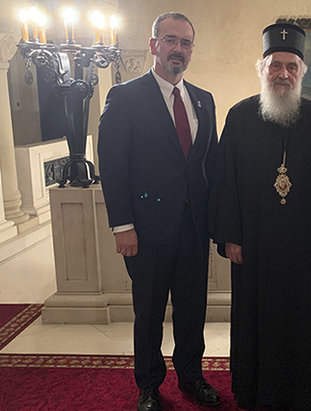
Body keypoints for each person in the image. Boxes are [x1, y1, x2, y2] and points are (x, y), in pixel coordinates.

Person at [212, 23, 311, 410]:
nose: (283, 74)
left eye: (292, 66)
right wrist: (230, 236)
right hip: (254, 243)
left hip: (304, 246)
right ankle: (255, 387)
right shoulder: (239, 117)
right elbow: (226, 181)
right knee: (256, 314)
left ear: (301, 72)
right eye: (275, 65)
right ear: (262, 69)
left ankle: (309, 383)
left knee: (304, 315)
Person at [98, 12, 220, 411]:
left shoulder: (203, 99)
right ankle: (149, 385)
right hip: (146, 229)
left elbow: (209, 165)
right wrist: (122, 225)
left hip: (194, 228)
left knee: (191, 310)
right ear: (154, 45)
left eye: (186, 43)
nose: (178, 50)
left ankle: (191, 377)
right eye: (170, 40)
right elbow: (113, 165)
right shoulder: (125, 96)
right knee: (148, 312)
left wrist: (217, 222)